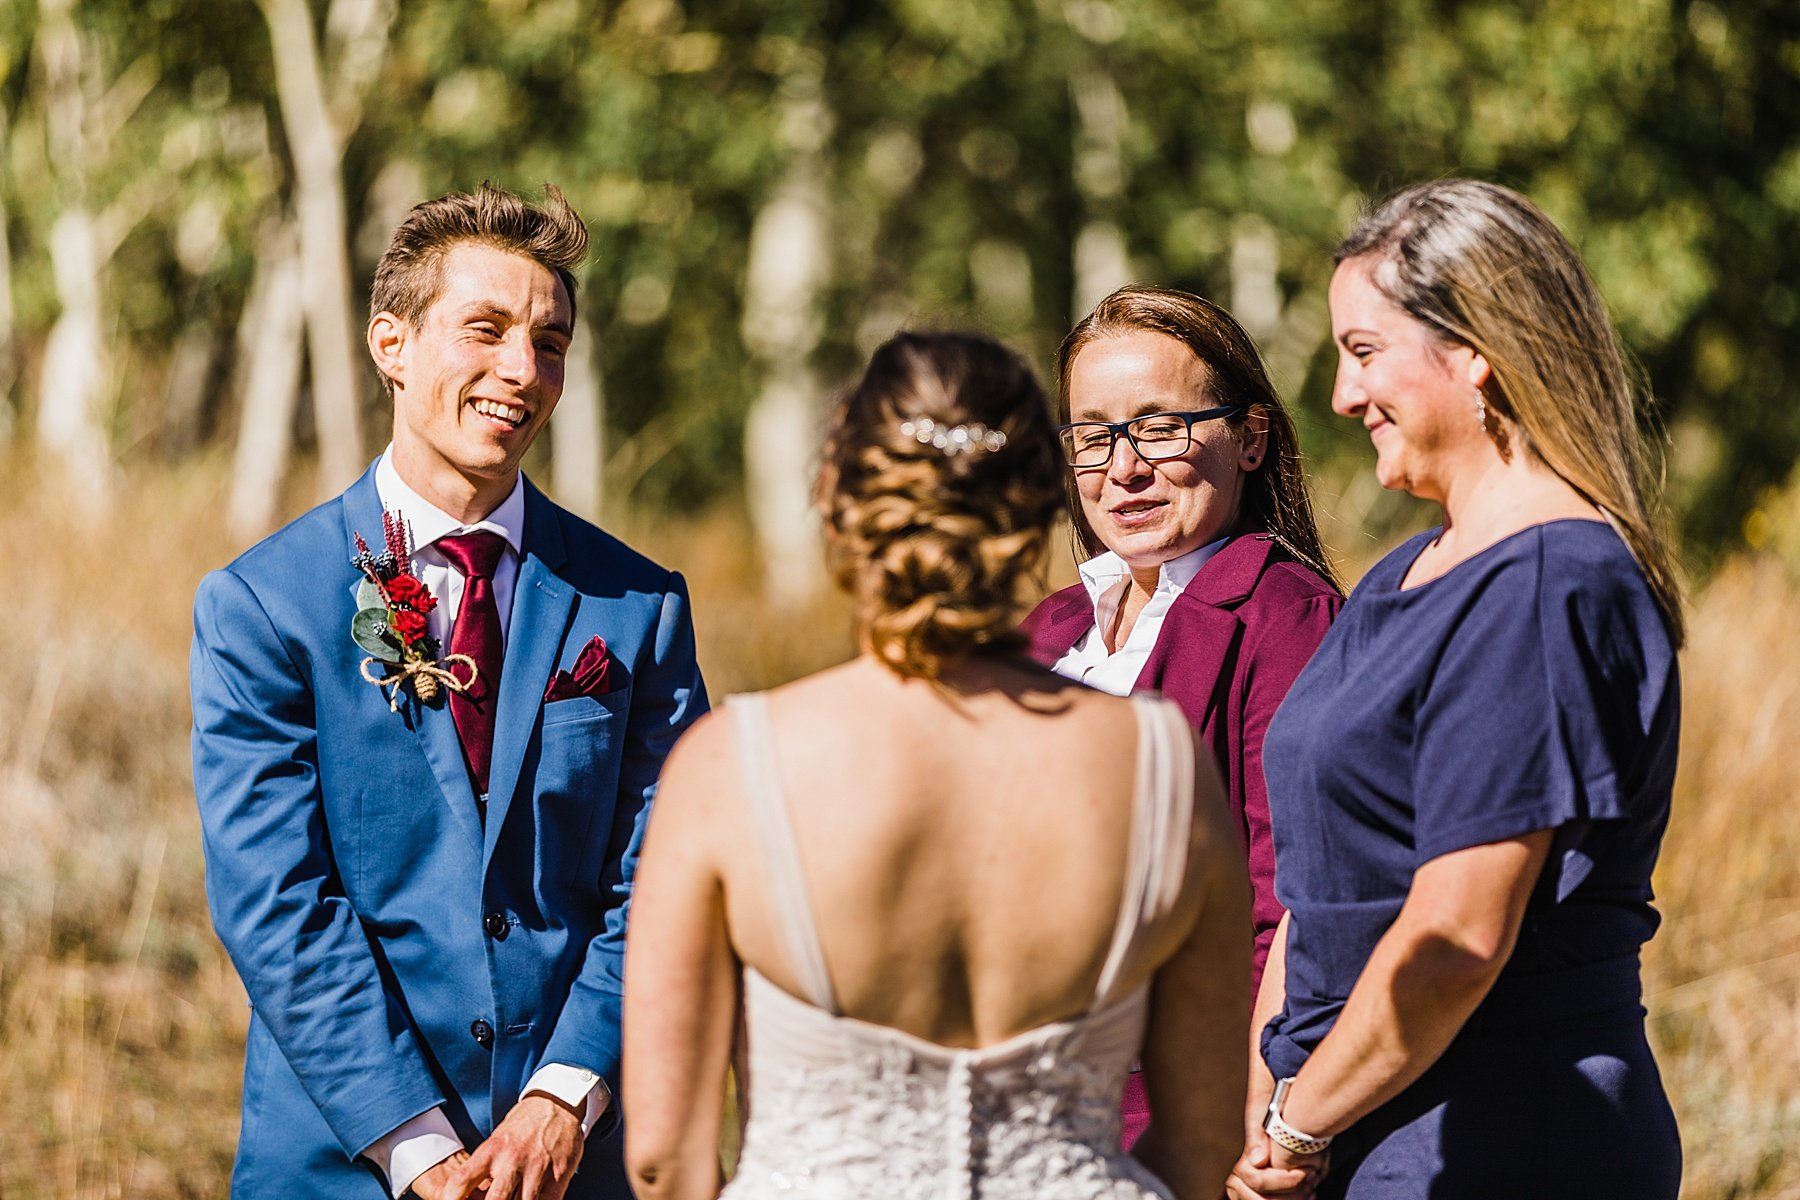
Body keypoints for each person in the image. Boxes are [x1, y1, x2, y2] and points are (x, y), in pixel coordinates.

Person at [621, 332, 1255, 1200]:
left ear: (837, 500)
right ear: (1038, 505)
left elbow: (665, 1159)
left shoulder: (733, 767)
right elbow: (1201, 1144)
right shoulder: (1161, 764)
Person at [191, 183, 706, 1200]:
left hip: (577, 1162)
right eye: (487, 329)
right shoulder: (263, 605)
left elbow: (665, 874)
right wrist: (420, 1151)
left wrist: (565, 1096)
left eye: (550, 342)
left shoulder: (636, 605)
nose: (522, 370)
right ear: (392, 344)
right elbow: (278, 903)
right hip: (345, 1162)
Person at [1232, 179, 1685, 1200]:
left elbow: (1458, 939)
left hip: (1492, 1140)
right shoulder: (1405, 574)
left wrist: (1299, 1127)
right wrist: (1268, 1100)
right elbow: (1325, 881)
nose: (1343, 399)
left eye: (1363, 353)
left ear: (1474, 347)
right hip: (1356, 1127)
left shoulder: (1546, 586)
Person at [1022, 286, 1342, 1145]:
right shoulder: (1047, 632)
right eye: (1093, 436)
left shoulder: (1286, 619)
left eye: (1159, 427)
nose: (1123, 468)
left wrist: (1248, 1119)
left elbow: (1295, 910)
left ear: (1251, 438)